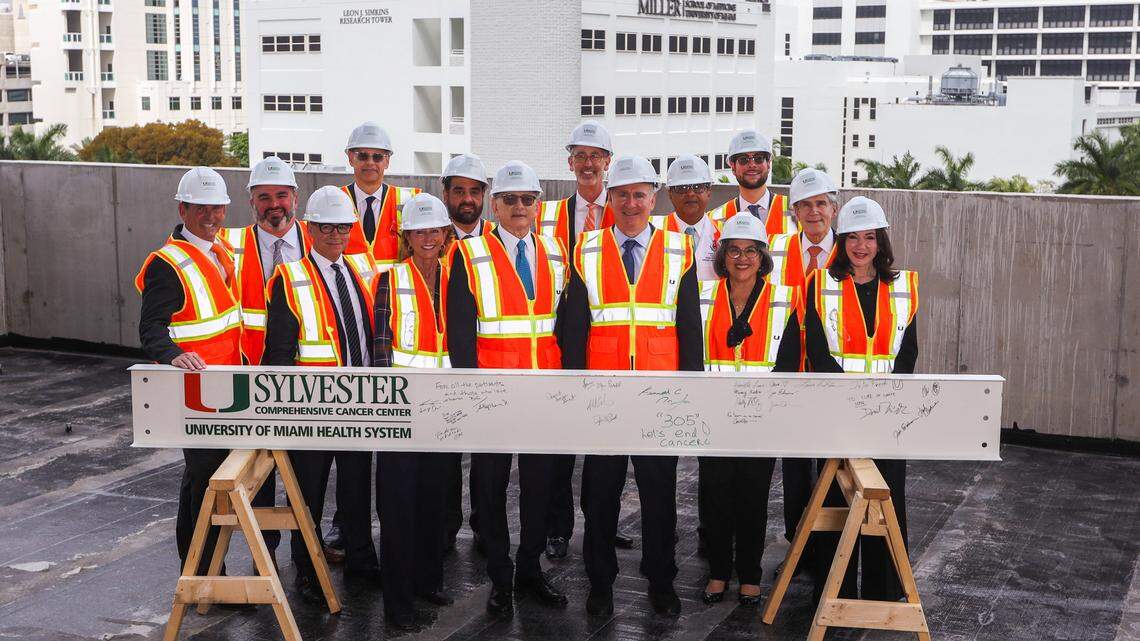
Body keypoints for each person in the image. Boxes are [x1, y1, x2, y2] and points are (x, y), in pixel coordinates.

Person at [560, 155, 702, 618]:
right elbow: (574, 329)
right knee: (600, 496)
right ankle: (600, 582)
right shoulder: (585, 249)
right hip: (604, 394)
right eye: (622, 194)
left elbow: (688, 326)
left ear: (653, 197)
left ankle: (661, 580)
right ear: (610, 198)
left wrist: (689, 395)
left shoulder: (680, 249)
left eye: (640, 193)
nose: (631, 202)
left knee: (660, 496)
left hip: (659, 396)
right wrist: (580, 392)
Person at [447, 161, 571, 619]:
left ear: (537, 204)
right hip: (492, 394)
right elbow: (460, 336)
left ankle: (529, 569)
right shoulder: (467, 255)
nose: (520, 207)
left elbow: (569, 326)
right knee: (490, 489)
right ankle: (500, 574)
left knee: (539, 488)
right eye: (510, 199)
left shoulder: (558, 252)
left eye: (528, 199)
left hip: (543, 393)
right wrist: (469, 395)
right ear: (494, 205)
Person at [262, 186, 382, 604]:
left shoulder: (362, 270)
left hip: (358, 400)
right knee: (307, 493)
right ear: (310, 229)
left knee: (355, 488)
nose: (336, 234)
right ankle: (308, 570)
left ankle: (361, 560)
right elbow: (278, 353)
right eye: (327, 227)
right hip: (312, 406)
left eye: (343, 227)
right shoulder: (291, 279)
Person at [802, 196, 919, 603]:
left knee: (886, 502)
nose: (861, 246)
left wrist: (884, 401)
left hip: (886, 416)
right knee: (837, 502)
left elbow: (908, 353)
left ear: (881, 241)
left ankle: (883, 593)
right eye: (852, 237)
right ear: (841, 240)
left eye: (870, 237)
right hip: (838, 413)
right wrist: (851, 400)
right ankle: (835, 590)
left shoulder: (902, 285)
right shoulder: (820, 284)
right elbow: (818, 352)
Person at [136, 167, 242, 577]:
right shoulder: (168, 262)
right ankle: (206, 575)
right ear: (184, 209)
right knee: (208, 486)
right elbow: (151, 328)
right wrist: (173, 355)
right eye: (203, 209)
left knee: (201, 482)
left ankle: (198, 568)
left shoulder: (222, 251)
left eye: (218, 208)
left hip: (226, 388)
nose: (213, 217)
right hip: (199, 395)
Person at [695, 215, 802, 606]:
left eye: (751, 251)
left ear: (762, 257)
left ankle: (750, 576)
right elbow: (693, 359)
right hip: (715, 419)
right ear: (723, 256)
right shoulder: (702, 296)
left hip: (761, 419)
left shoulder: (782, 299)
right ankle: (720, 573)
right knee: (716, 497)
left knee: (754, 499)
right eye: (735, 250)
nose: (743, 258)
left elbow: (789, 363)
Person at [544, 120, 634, 560]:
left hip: (608, 337)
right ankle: (558, 528)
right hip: (557, 334)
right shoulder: (548, 216)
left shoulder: (629, 212)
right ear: (569, 162)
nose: (587, 163)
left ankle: (604, 523)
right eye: (579, 155)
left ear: (608, 162)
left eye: (595, 155)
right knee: (561, 440)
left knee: (607, 442)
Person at [373, 193, 454, 629]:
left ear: (445, 235)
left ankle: (428, 581)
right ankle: (398, 603)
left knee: (433, 501)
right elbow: (381, 349)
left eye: (434, 230)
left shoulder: (455, 275)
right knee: (399, 508)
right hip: (402, 412)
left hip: (442, 411)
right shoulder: (391, 279)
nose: (428, 237)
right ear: (407, 237)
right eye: (419, 231)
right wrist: (392, 410)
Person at [780, 168, 842, 561]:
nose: (813, 212)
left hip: (833, 375)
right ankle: (798, 545)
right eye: (804, 205)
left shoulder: (850, 254)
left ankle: (830, 548)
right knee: (795, 467)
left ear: (833, 210)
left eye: (820, 204)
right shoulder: (776, 251)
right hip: (789, 373)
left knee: (831, 463)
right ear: (795, 212)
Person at [439, 152, 492, 554]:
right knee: (446, 453)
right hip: (439, 359)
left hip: (487, 361)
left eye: (475, 191)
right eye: (459, 191)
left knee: (486, 455)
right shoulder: (429, 236)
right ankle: (446, 527)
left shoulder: (497, 240)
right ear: (446, 194)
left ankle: (484, 524)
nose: (467, 199)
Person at [222, 156, 308, 366]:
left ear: (295, 198)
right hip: (250, 362)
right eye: (264, 197)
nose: (274, 204)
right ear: (252, 202)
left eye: (282, 195)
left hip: (306, 362)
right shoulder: (227, 244)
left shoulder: (321, 239)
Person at [340, 121, 422, 270]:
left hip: (394, 290)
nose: (370, 162)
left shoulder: (410, 202)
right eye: (363, 156)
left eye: (377, 157)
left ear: (387, 161)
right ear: (351, 158)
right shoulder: (336, 201)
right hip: (348, 292)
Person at [708, 130, 798, 236]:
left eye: (758, 159)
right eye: (743, 159)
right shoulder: (714, 219)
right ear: (733, 167)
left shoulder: (797, 212)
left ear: (768, 164)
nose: (752, 165)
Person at [654, 154, 719, 281]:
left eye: (698, 187)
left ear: (709, 191)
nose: (690, 193)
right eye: (681, 188)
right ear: (669, 194)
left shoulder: (724, 234)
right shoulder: (653, 232)